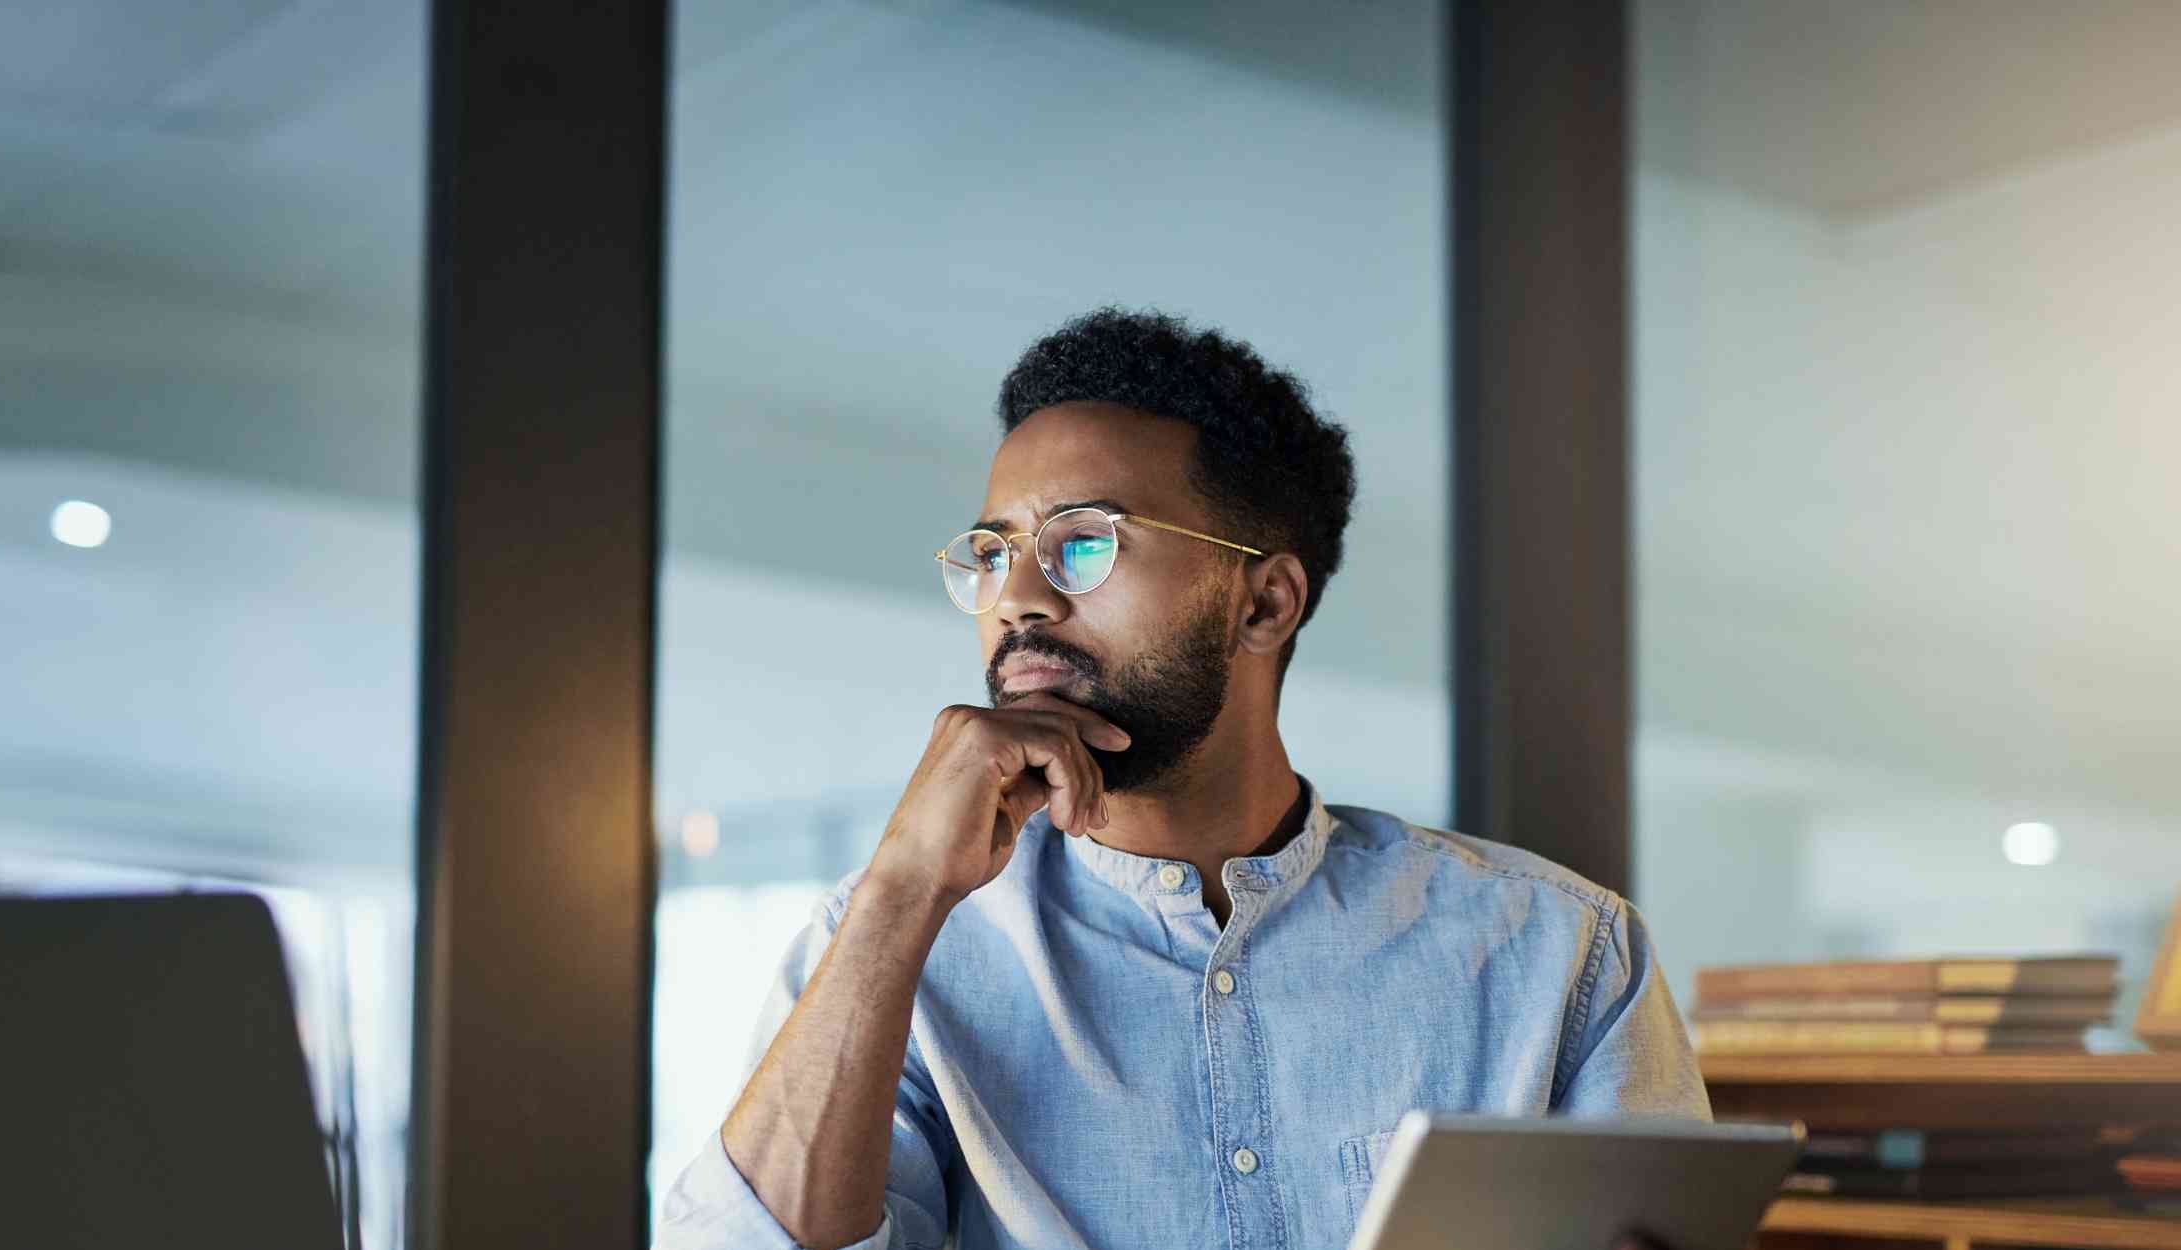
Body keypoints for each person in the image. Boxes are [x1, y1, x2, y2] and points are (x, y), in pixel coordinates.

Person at [655, 309, 1710, 1250]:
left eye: (1083, 544)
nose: (1017, 596)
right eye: (994, 551)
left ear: (1264, 604)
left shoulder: (1561, 954)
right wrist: (897, 893)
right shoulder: (901, 946)